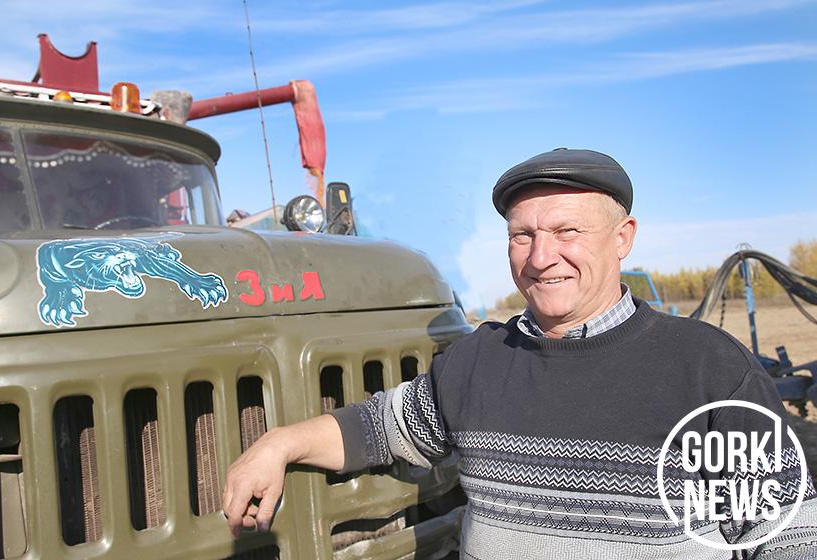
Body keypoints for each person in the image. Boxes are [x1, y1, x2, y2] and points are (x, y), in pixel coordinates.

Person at [224, 148, 817, 558]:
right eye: (522, 235)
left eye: (566, 232)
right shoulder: (479, 360)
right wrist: (279, 445)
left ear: (623, 238)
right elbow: (378, 428)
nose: (540, 257)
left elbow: (789, 534)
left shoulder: (709, 370)